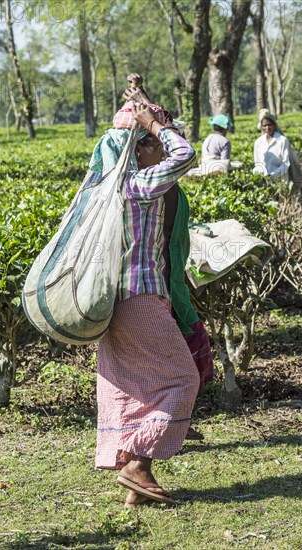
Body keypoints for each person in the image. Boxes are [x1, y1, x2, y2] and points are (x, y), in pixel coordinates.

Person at [89, 95, 204, 508]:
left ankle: (140, 485)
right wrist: (155, 127)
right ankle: (137, 463)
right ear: (138, 148)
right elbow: (186, 153)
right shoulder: (138, 185)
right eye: (152, 141)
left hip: (109, 303)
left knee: (135, 386)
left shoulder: (103, 185)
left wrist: (151, 116)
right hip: (139, 297)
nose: (160, 144)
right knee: (182, 379)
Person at [253, 114, 290, 180]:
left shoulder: (282, 140)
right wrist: (257, 172)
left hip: (280, 180)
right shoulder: (258, 142)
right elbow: (257, 163)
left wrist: (273, 175)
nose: (267, 128)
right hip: (264, 180)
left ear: (274, 125)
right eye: (264, 125)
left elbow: (285, 164)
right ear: (261, 127)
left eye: (269, 125)